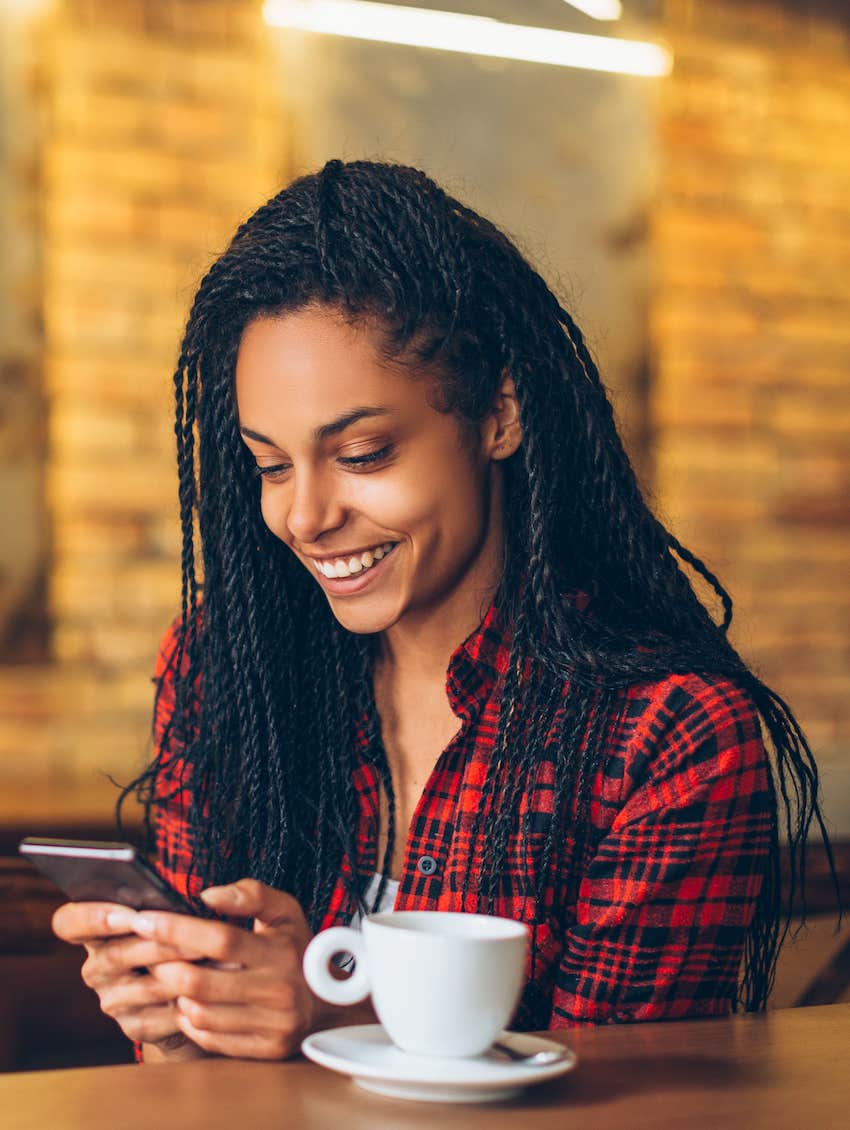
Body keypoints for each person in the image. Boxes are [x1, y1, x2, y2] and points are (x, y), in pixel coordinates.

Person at [52, 159, 833, 1064]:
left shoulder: (667, 739)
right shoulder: (225, 674)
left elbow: (627, 1106)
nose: (304, 516)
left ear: (499, 412)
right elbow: (194, 1088)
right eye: (270, 465)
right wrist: (187, 1018)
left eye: (364, 452)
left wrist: (323, 1018)